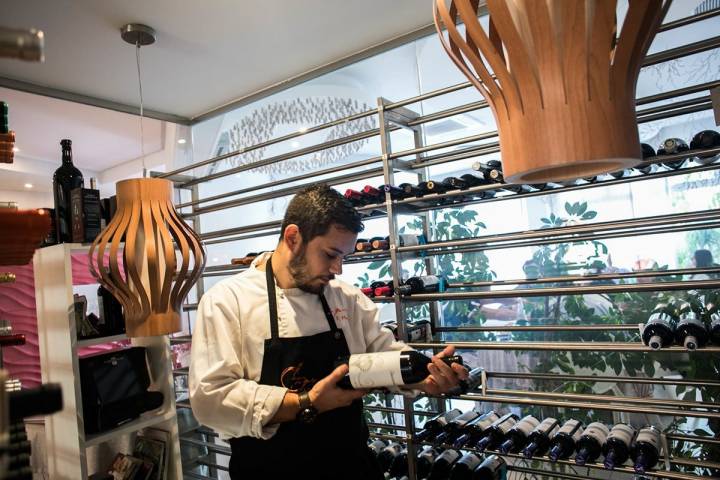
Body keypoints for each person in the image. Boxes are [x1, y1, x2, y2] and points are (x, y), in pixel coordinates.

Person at [189, 184, 468, 479]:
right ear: (293, 237)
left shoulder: (345, 298)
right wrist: (306, 403)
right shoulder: (228, 301)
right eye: (330, 254)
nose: (338, 269)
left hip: (351, 465)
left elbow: (383, 353)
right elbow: (211, 399)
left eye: (343, 256)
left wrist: (423, 378)